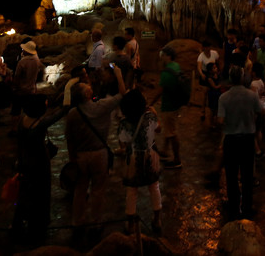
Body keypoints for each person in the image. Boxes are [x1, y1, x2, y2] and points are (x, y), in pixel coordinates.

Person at [66, 65, 127, 232]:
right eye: (88, 87)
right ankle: (96, 220)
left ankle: (77, 220)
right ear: (87, 94)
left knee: (80, 189)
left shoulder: (72, 113)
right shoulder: (102, 107)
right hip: (99, 154)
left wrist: (72, 158)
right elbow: (122, 94)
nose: (90, 87)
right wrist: (119, 75)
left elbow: (69, 139)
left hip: (80, 156)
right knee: (98, 190)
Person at [12, 94, 68, 243]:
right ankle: (38, 224)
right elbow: (60, 113)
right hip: (39, 163)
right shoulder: (40, 125)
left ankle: (19, 221)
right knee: (41, 194)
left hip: (25, 161)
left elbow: (19, 143)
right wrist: (68, 98)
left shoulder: (23, 120)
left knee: (25, 192)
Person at [218, 65, 262, 220]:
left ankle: (234, 204)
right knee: (247, 174)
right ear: (243, 78)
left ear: (231, 78)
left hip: (231, 139)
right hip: (248, 139)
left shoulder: (224, 98)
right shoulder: (251, 95)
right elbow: (260, 112)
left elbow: (221, 120)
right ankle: (247, 206)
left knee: (231, 175)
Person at [118, 88, 163, 236]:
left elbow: (123, 144)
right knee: (154, 187)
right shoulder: (150, 117)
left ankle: (130, 223)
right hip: (151, 155)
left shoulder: (124, 123)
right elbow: (159, 130)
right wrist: (155, 114)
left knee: (131, 191)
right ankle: (157, 219)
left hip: (133, 158)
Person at [156, 46, 183, 168]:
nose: (161, 57)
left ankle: (177, 159)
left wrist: (150, 103)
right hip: (176, 103)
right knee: (169, 129)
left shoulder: (166, 72)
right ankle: (165, 150)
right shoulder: (176, 66)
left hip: (169, 105)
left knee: (172, 132)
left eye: (163, 54)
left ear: (168, 56)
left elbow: (160, 90)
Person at [12, 40, 45, 132]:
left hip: (21, 90)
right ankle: (28, 126)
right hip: (31, 89)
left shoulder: (22, 62)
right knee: (29, 110)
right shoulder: (36, 60)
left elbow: (17, 76)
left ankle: (15, 128)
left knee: (16, 110)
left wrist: (14, 87)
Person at [197, 40, 221, 123]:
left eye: (209, 46)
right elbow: (199, 66)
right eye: (206, 47)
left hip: (213, 73)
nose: (208, 48)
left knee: (214, 91)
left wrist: (218, 71)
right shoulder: (201, 56)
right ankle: (202, 111)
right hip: (205, 74)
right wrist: (201, 74)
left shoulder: (214, 53)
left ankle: (214, 109)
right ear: (203, 48)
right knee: (204, 93)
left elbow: (218, 62)